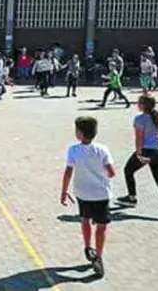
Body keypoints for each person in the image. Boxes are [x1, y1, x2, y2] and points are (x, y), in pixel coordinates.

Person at [60, 116, 115, 278]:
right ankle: (99, 256)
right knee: (101, 226)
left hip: (82, 193)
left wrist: (64, 191)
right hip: (101, 194)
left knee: (85, 219)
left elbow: (68, 172)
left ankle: (87, 246)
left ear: (80, 133)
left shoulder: (73, 150)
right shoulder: (102, 149)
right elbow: (111, 172)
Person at [116, 96, 158, 221]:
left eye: (139, 102)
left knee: (128, 170)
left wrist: (139, 154)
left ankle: (132, 198)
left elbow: (139, 138)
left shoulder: (140, 119)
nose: (137, 104)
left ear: (143, 105)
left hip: (146, 150)